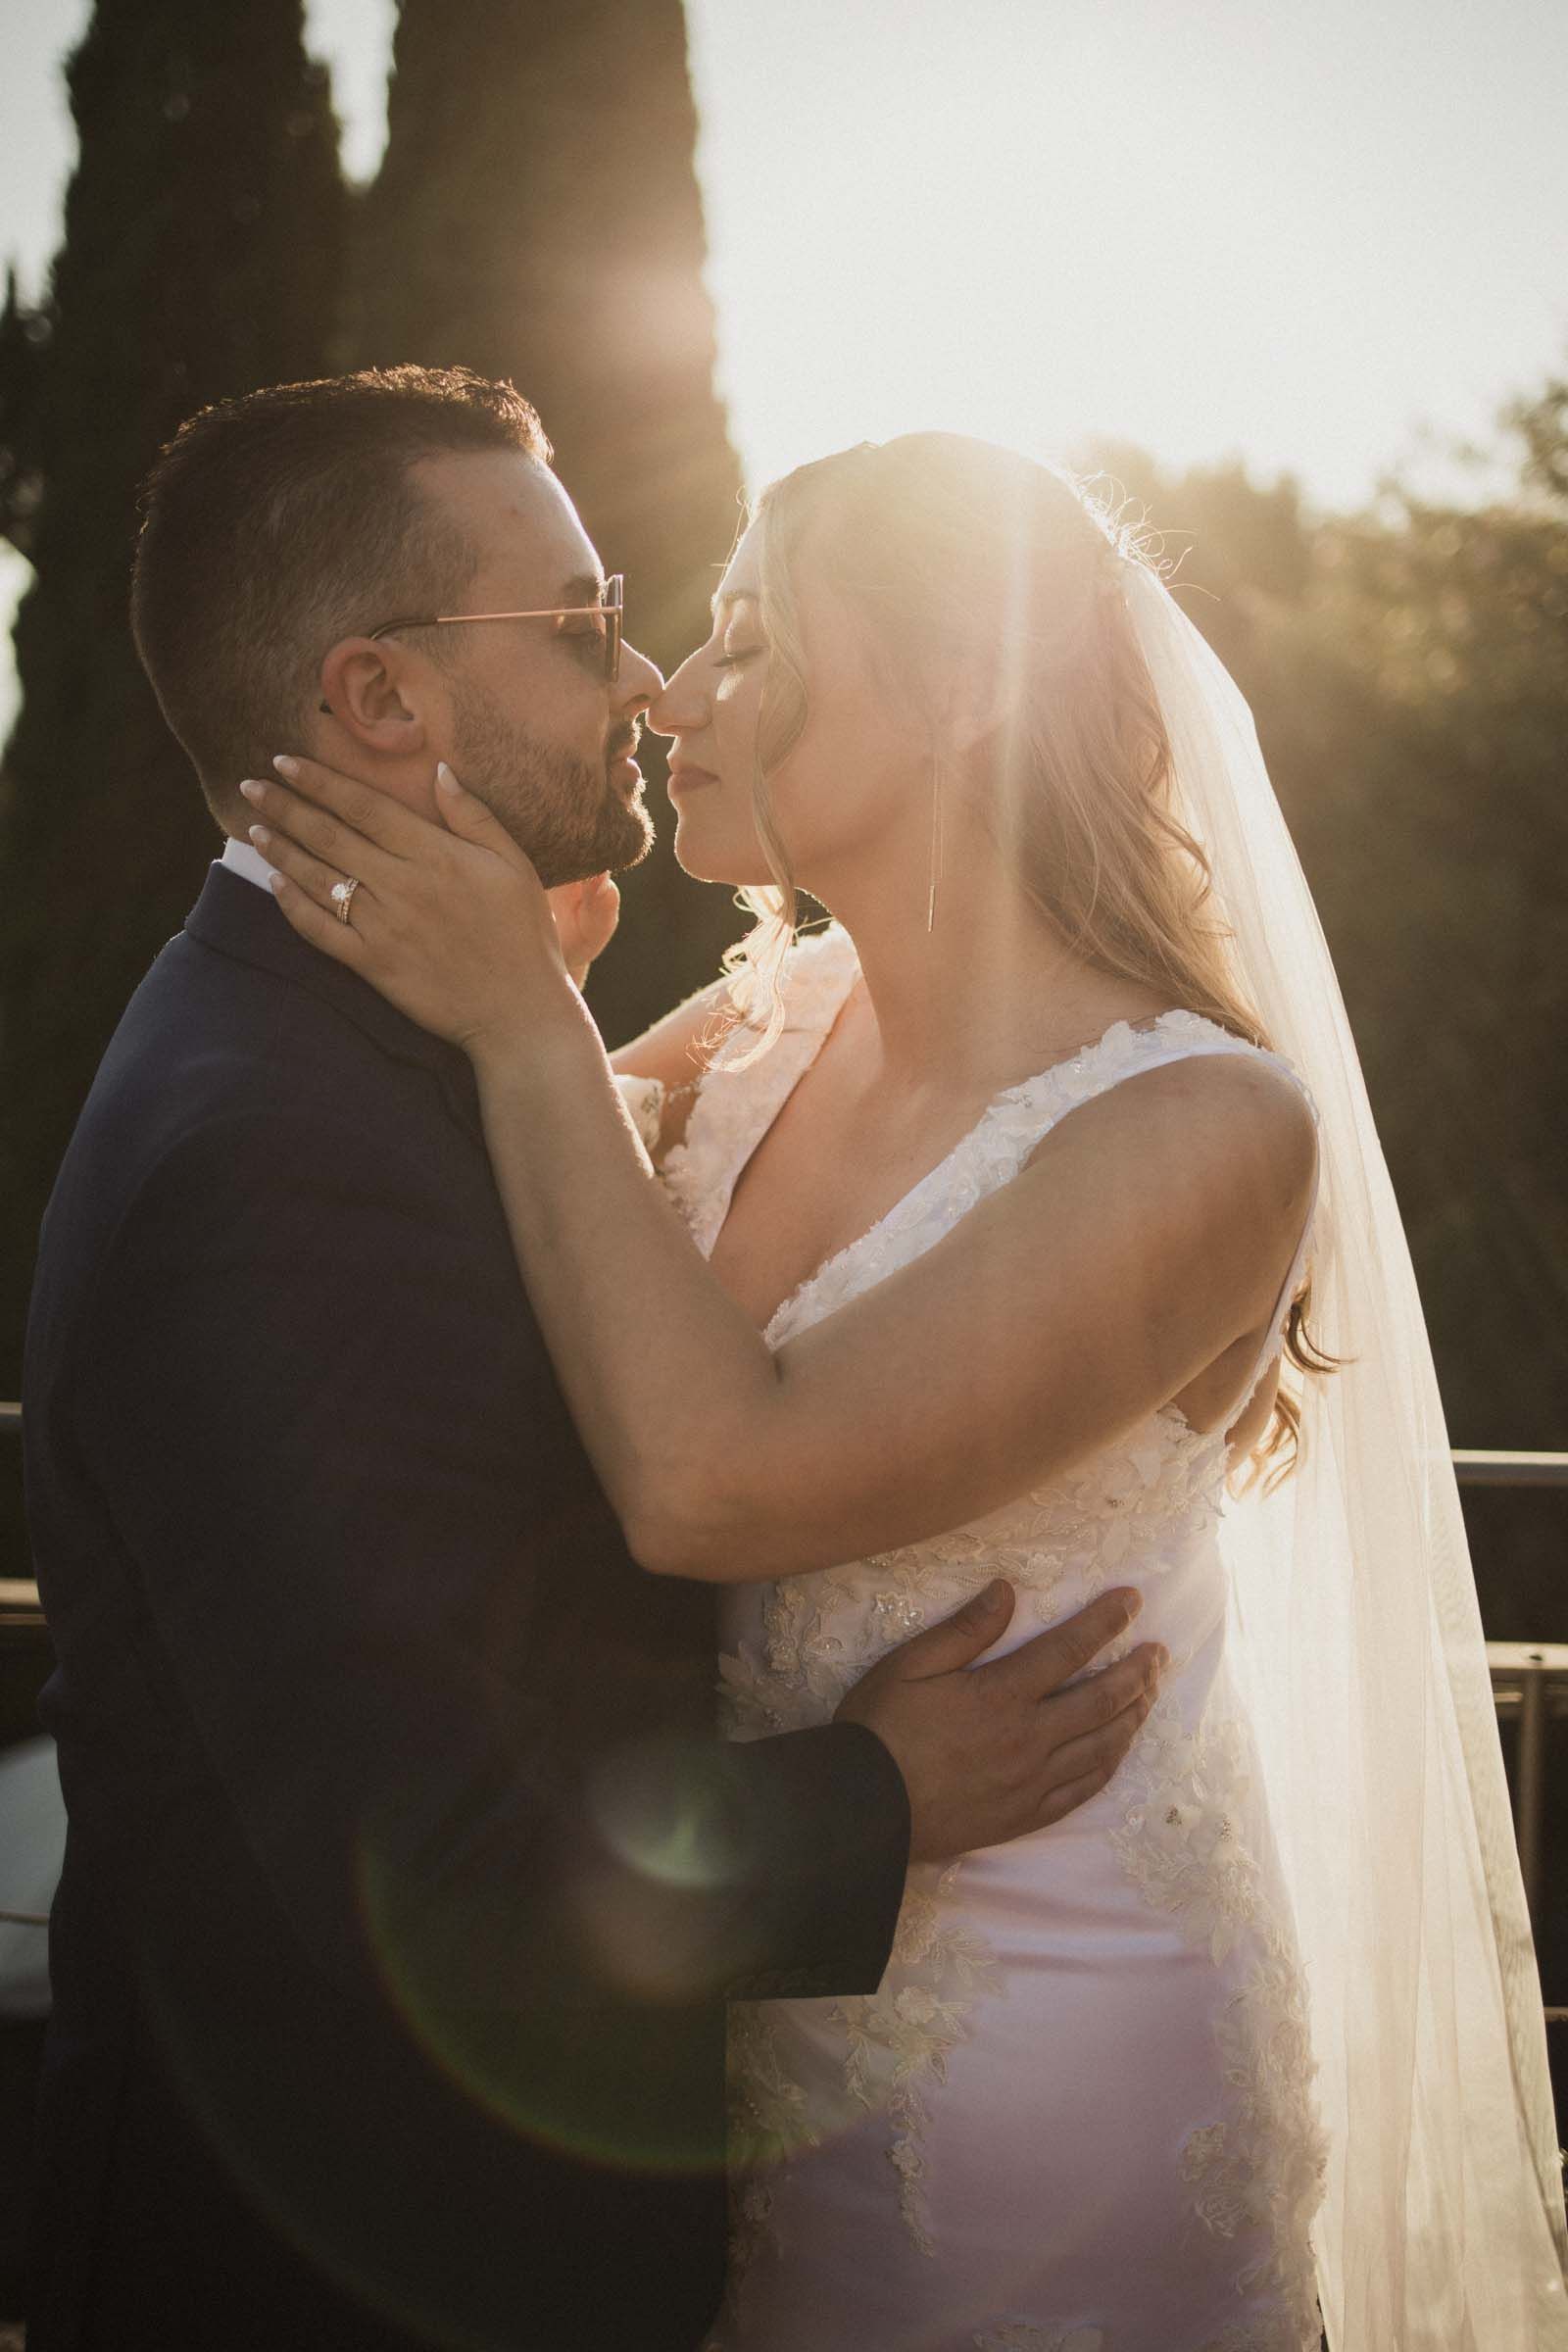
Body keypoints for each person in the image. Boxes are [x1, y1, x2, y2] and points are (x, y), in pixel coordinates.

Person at [252, 429, 1568, 2350]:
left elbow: (706, 1481)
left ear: (960, 688)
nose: (673, 700)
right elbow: (525, 1270)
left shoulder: (1203, 1127)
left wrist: (529, 1018)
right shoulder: (768, 1021)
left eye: (751, 643)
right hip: (752, 1998)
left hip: (1050, 2073)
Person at [21, 374, 1167, 2352]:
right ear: (380, 701)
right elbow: (452, 1884)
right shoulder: (272, 1154)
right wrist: (876, 1796)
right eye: (571, 626)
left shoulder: (367, 1047)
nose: (640, 679)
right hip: (360, 2265)